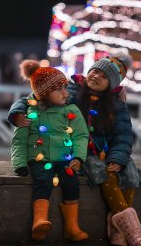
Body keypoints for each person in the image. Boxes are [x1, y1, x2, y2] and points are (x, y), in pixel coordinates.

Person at [8, 54, 141, 246]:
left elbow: (124, 134)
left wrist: (118, 156)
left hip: (107, 151)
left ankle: (119, 228)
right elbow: (32, 98)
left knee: (129, 173)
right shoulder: (72, 91)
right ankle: (129, 228)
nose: (97, 76)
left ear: (112, 84)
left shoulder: (117, 103)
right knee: (104, 174)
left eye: (104, 76)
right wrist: (16, 113)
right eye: (95, 71)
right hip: (84, 151)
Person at [11, 60, 89, 242]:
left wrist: (78, 156)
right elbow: (19, 140)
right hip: (39, 159)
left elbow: (81, 135)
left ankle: (71, 227)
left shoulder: (71, 110)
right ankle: (39, 220)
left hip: (64, 158)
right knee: (43, 181)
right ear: (44, 94)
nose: (64, 92)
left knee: (71, 183)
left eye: (65, 87)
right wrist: (20, 163)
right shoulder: (30, 112)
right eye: (58, 89)